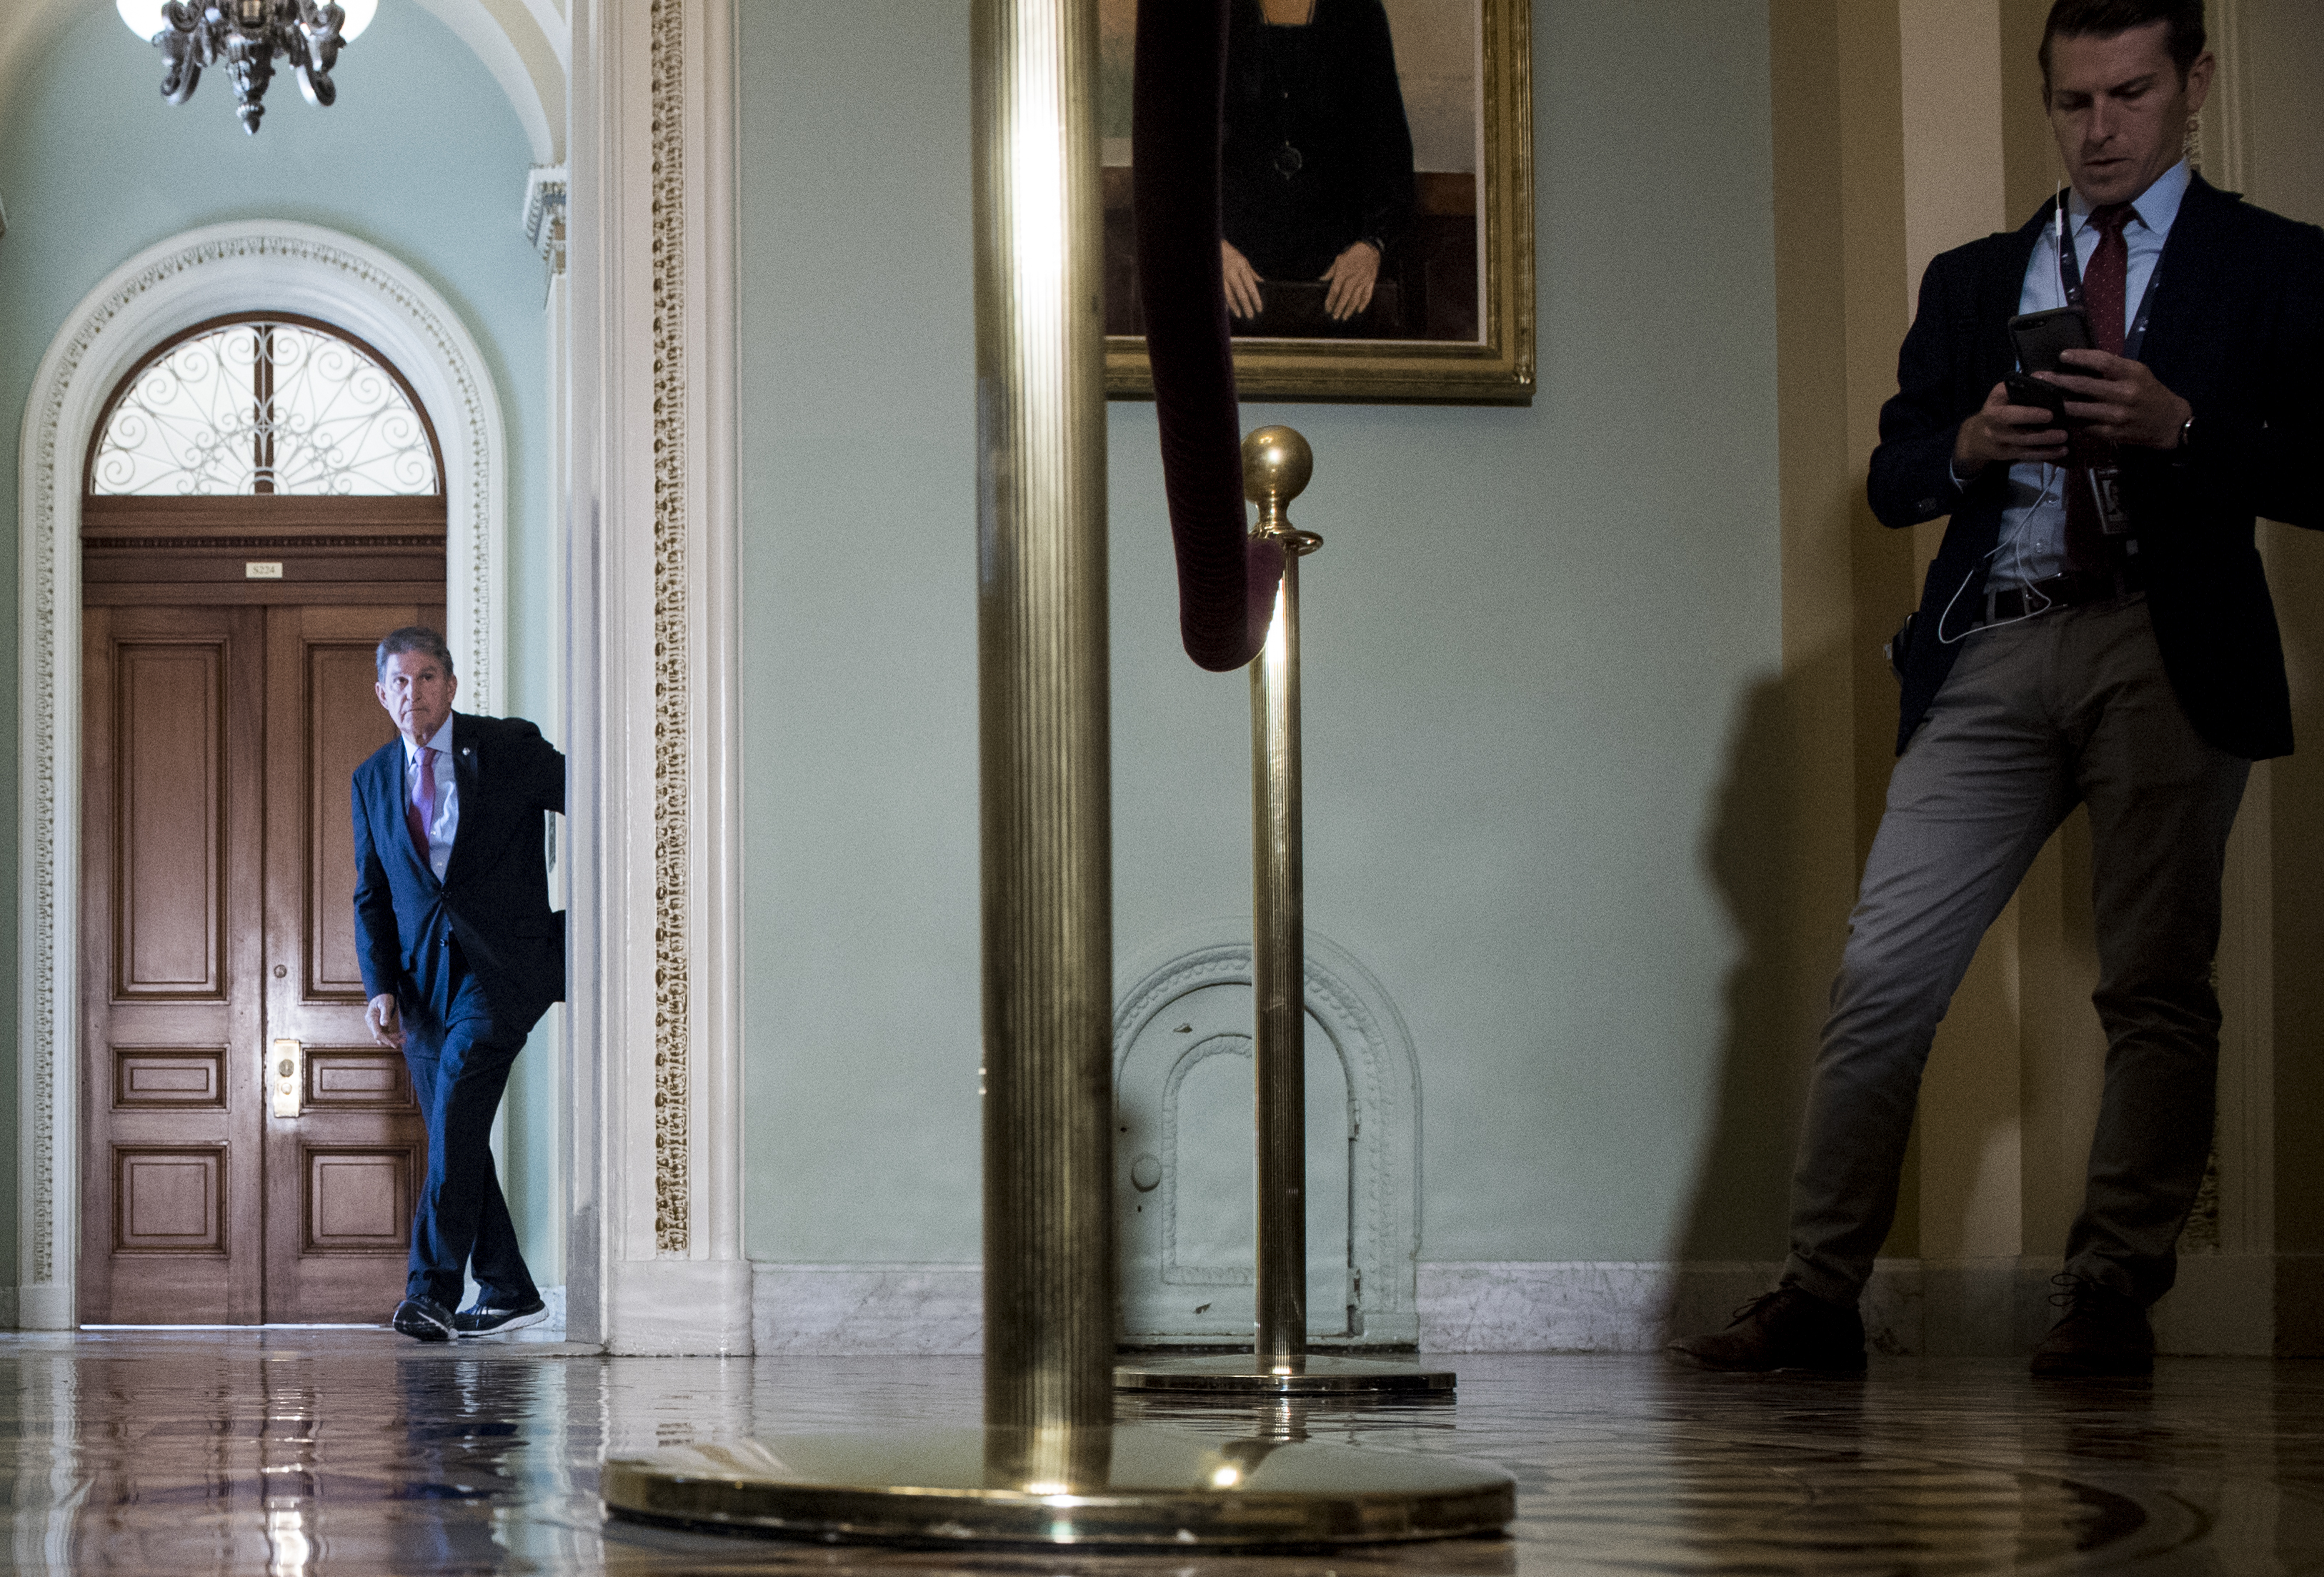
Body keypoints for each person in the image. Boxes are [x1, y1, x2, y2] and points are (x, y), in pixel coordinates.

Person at [1671, 0, 2323, 1378]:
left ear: (2192, 86)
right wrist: (1965, 442)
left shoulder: (2271, 264)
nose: (2098, 130)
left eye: (2128, 96)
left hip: (2168, 634)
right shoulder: (1974, 278)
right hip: (1992, 640)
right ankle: (1816, 1296)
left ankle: (2106, 1300)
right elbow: (1891, 476)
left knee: (2153, 986)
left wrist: (2183, 428)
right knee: (1880, 974)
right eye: (2072, 102)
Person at [352, 627, 566, 1342]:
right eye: (400, 681)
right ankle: (506, 1285)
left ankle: (433, 1290)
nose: (414, 692)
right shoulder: (371, 778)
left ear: (450, 684)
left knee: (457, 1103)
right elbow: (372, 894)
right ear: (383, 693)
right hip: (419, 987)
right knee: (457, 1128)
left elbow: (603, 806)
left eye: (427, 677)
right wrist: (379, 983)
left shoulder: (506, 746)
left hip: (503, 968)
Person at [1218, 0, 1415, 329]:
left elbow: (1390, 156)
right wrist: (1210, 247)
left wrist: (1371, 247)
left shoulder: (1359, 15)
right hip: (1231, 278)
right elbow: (1175, 160)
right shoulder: (1213, 17)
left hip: (1338, 279)